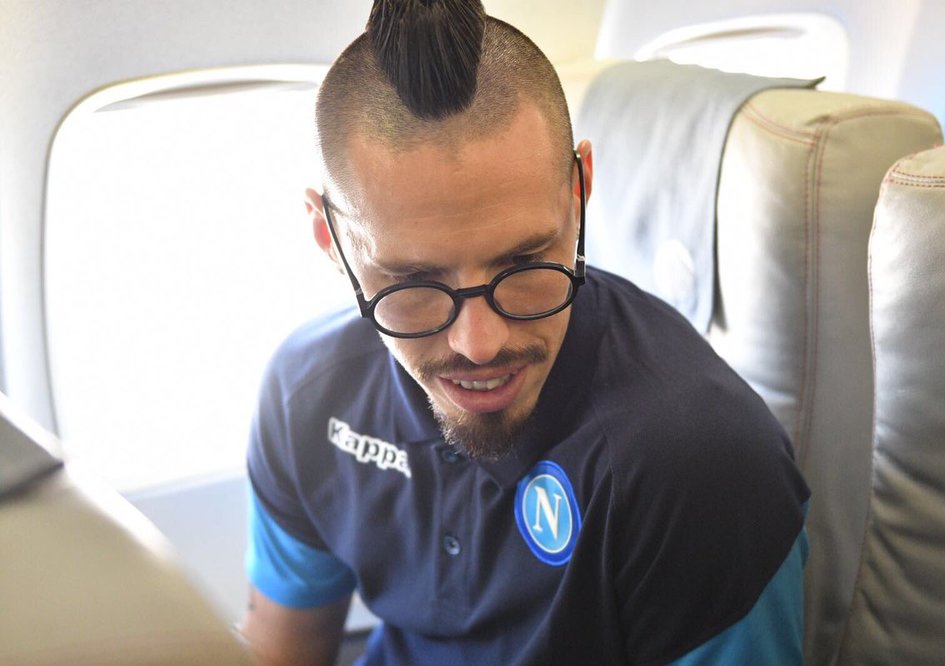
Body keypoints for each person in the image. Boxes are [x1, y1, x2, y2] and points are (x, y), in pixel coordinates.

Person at [240, 1, 810, 663]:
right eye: (414, 283)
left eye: (523, 264)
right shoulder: (307, 392)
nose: (479, 344)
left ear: (579, 192)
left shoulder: (703, 468)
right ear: (329, 240)